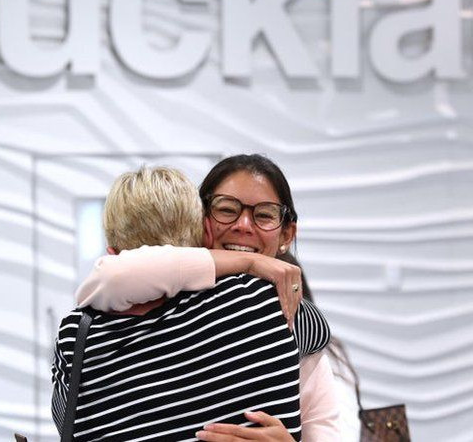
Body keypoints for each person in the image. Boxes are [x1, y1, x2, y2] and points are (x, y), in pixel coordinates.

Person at [76, 154, 356, 440]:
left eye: (264, 215)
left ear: (287, 234)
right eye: (227, 209)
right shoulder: (160, 294)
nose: (243, 225)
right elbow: (111, 276)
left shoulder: (290, 318)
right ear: (203, 221)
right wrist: (249, 262)